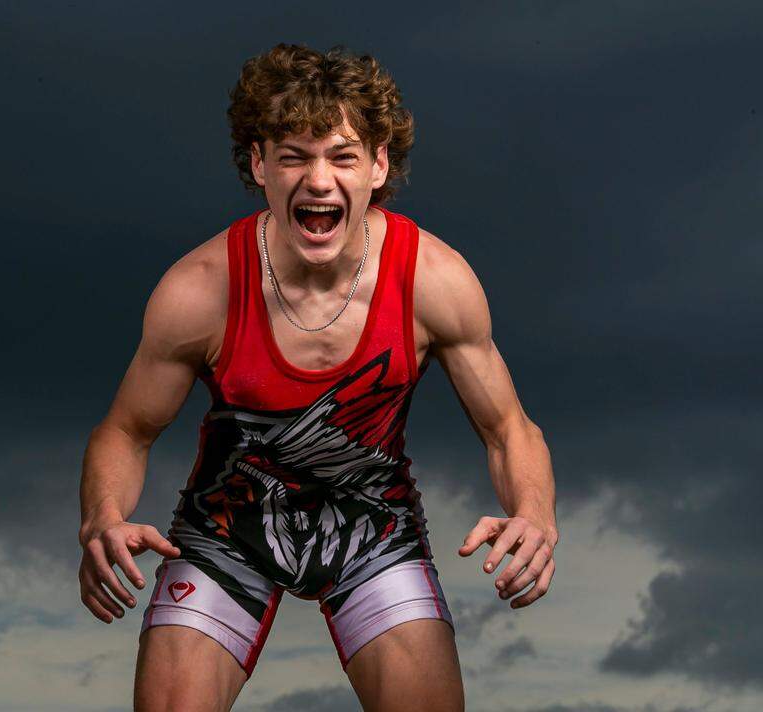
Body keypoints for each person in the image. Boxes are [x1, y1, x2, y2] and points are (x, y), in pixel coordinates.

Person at [77, 43, 558, 712]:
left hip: (372, 528)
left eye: (342, 156)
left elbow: (509, 429)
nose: (319, 180)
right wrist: (102, 519)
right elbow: (125, 433)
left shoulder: (433, 281)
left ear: (379, 164)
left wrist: (534, 515)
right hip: (228, 534)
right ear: (259, 165)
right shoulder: (201, 290)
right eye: (294, 156)